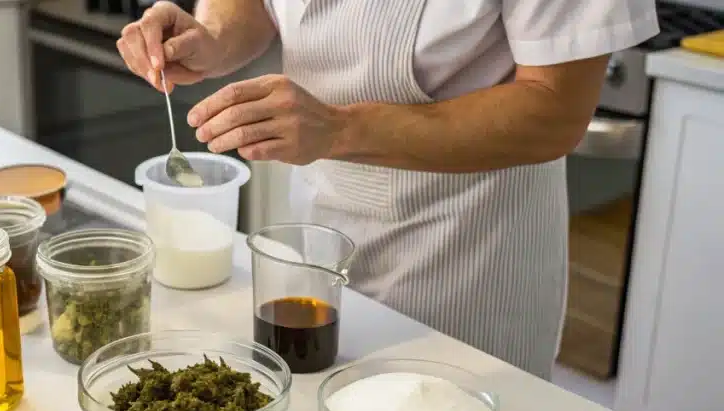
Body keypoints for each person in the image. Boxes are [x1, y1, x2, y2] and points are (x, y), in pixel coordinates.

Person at [116, 0, 659, 379]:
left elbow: (556, 111)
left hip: (464, 258)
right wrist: (210, 35)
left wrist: (340, 128)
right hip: (314, 238)